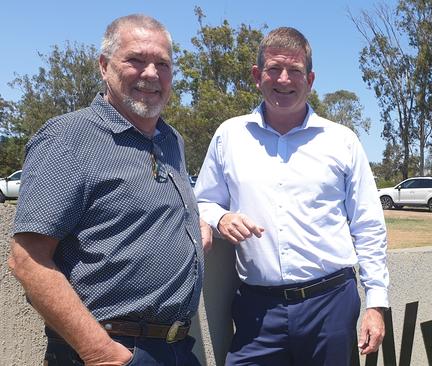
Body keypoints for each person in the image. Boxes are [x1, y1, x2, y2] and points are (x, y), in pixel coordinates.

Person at [8, 14, 211, 366]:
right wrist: (100, 352)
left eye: (162, 64)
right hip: (108, 349)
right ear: (104, 66)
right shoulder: (68, 138)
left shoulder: (171, 140)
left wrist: (193, 228)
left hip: (177, 347)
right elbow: (27, 260)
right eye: (135, 59)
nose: (151, 73)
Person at [194, 27, 389, 365]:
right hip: (257, 310)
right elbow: (202, 201)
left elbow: (368, 224)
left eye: (295, 71)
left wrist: (376, 303)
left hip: (330, 305)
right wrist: (221, 218)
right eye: (274, 69)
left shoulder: (341, 141)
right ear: (257, 76)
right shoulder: (230, 136)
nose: (284, 79)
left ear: (309, 79)